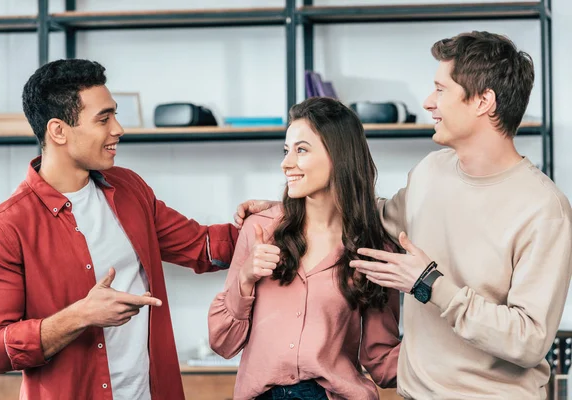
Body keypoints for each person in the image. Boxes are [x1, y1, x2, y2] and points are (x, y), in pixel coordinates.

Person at [235, 31, 572, 399]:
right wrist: (290, 206)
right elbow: (370, 216)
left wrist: (431, 285)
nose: (429, 102)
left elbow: (530, 341)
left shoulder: (543, 209)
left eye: (441, 90)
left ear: (483, 102)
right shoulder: (431, 172)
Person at [0, 59, 238, 400]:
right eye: (104, 118)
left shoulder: (129, 189)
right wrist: (80, 316)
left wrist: (277, 221)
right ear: (58, 131)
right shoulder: (6, 228)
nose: (118, 129)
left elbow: (202, 246)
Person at [209, 97, 401, 400]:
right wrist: (245, 278)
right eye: (286, 150)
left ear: (339, 156)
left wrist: (454, 352)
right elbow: (223, 343)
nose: (286, 163)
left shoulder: (373, 247)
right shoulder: (260, 230)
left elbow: (381, 360)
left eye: (301, 150)